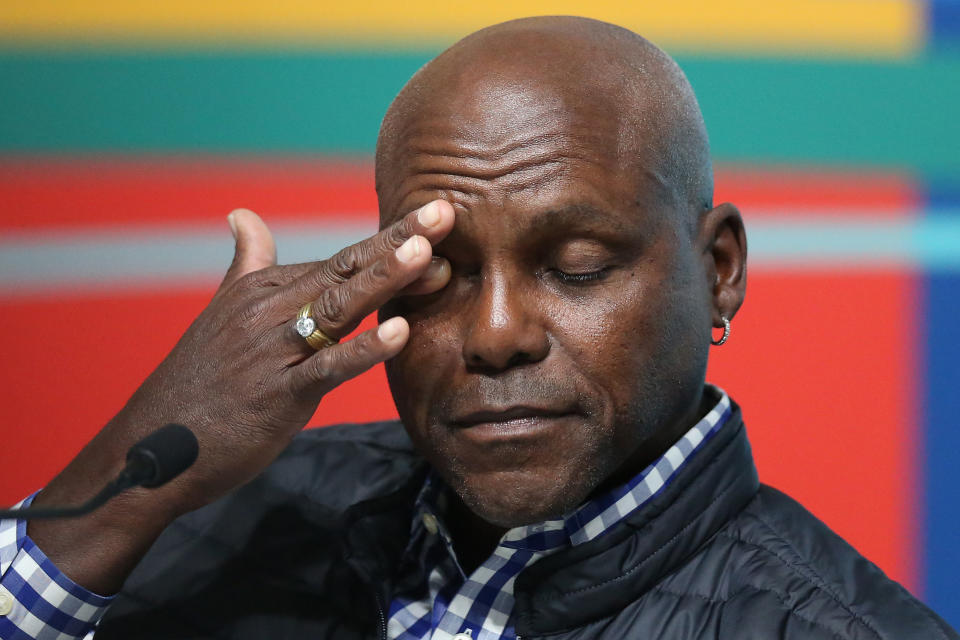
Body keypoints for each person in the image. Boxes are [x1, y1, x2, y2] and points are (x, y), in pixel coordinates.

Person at [0, 15, 956, 640]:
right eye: (437, 278)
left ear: (718, 274)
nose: (494, 334)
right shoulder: (234, 510)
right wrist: (124, 484)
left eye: (575, 267)